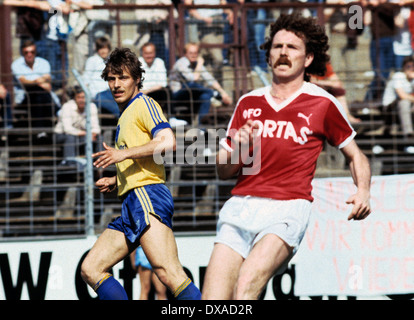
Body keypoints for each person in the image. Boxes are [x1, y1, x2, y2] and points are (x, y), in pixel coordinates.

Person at [202, 13, 372, 300]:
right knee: (213, 301)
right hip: (240, 207)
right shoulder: (248, 102)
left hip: (286, 209)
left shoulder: (322, 103)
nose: (283, 53)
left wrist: (363, 191)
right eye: (277, 47)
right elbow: (224, 170)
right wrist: (240, 148)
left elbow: (356, 156)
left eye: (292, 48)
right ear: (268, 56)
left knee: (245, 288)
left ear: (307, 60)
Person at [80, 47, 201, 300]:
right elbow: (144, 157)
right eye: (111, 78)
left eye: (122, 77)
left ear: (137, 79)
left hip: (148, 196)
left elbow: (168, 142)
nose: (116, 84)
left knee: (169, 273)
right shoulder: (126, 114)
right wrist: (118, 178)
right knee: (91, 268)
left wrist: (122, 155)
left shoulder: (145, 104)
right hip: (132, 199)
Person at [169, 42, 232, 125]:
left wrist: (223, 93)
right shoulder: (181, 63)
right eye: (191, 53)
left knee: (205, 96)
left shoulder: (196, 64)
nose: (193, 55)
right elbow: (193, 79)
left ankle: (202, 128)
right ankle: (214, 94)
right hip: (177, 95)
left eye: (195, 53)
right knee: (191, 85)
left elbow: (210, 79)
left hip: (192, 94)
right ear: (185, 54)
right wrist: (199, 63)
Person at [11, 39, 56, 136]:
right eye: (26, 52)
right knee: (37, 92)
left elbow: (47, 79)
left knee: (39, 95)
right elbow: (24, 82)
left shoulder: (43, 62)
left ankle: (40, 131)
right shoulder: (16, 64)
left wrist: (33, 82)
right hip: (24, 96)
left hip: (41, 96)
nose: (29, 54)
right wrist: (39, 81)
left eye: (32, 52)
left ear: (36, 52)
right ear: (22, 53)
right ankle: (44, 129)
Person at [54, 86, 101, 165]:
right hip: (61, 135)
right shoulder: (67, 106)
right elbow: (67, 129)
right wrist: (87, 134)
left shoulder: (92, 106)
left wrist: (92, 133)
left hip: (82, 135)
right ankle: (70, 163)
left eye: (83, 97)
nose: (81, 100)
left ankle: (100, 163)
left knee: (99, 137)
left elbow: (96, 128)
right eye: (79, 97)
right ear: (75, 98)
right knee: (70, 137)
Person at [381, 56, 414, 153]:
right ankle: (409, 138)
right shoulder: (398, 76)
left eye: (413, 66)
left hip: (405, 107)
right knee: (404, 102)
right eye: (408, 66)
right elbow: (402, 95)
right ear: (404, 67)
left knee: (405, 104)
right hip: (390, 107)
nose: (411, 69)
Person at [83, 37, 119, 117]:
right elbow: (86, 79)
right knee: (117, 109)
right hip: (98, 93)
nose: (103, 51)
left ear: (109, 49)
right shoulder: (92, 60)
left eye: (105, 48)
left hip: (111, 91)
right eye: (100, 48)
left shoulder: (111, 61)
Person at [138, 42, 169, 111]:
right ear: (142, 53)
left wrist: (147, 91)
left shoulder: (159, 62)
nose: (149, 56)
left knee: (168, 92)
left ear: (155, 53)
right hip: (140, 94)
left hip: (156, 92)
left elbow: (163, 83)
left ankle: (171, 117)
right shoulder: (137, 63)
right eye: (146, 53)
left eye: (151, 53)